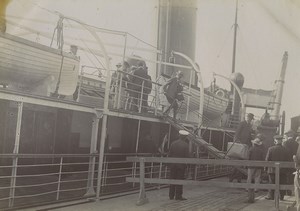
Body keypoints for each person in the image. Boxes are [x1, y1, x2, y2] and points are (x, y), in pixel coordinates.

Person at [265, 135, 289, 201]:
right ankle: (281, 197)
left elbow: (267, 160)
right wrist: (287, 170)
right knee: (282, 183)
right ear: (281, 141)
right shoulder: (286, 150)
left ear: (275, 140)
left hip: (272, 170)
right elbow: (288, 160)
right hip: (282, 171)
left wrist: (265, 168)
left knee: (272, 183)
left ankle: (272, 197)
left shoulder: (270, 149)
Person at [168, 130, 190, 201]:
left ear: (179, 135)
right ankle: (178, 196)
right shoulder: (186, 145)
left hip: (172, 165)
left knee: (172, 179)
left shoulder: (173, 143)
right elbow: (187, 156)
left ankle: (171, 195)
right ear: (185, 137)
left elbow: (170, 154)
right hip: (181, 166)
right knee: (179, 180)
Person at [246, 135, 265, 203]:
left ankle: (248, 188)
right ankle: (256, 189)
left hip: (251, 166)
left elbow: (248, 158)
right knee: (257, 177)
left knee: (250, 177)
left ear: (254, 143)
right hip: (259, 166)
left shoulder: (250, 149)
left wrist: (247, 165)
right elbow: (263, 159)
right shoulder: (261, 150)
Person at [283, 129, 298, 196]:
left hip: (286, 162)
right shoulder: (297, 144)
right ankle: (293, 190)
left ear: (288, 135)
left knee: (287, 176)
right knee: (293, 176)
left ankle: (288, 191)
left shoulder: (285, 143)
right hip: (294, 162)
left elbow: (284, 153)